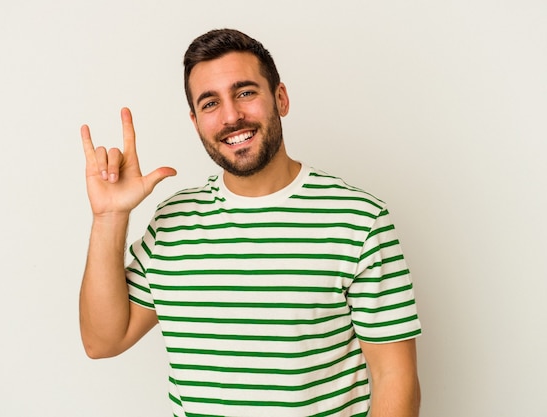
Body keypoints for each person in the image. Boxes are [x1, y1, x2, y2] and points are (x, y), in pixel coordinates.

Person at [79, 28, 422, 417]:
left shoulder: (359, 220)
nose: (231, 116)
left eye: (245, 92)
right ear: (195, 122)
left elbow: (395, 376)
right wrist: (109, 217)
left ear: (280, 98)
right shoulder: (172, 223)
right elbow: (102, 342)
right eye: (210, 103)